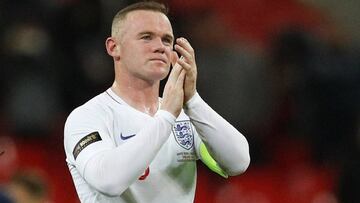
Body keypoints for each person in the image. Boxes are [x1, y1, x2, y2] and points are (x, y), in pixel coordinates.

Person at [63, 1, 250, 202]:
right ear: (114, 47)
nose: (160, 47)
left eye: (167, 40)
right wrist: (166, 117)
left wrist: (193, 101)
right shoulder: (88, 116)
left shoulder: (186, 117)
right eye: (146, 37)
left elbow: (238, 162)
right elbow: (109, 182)